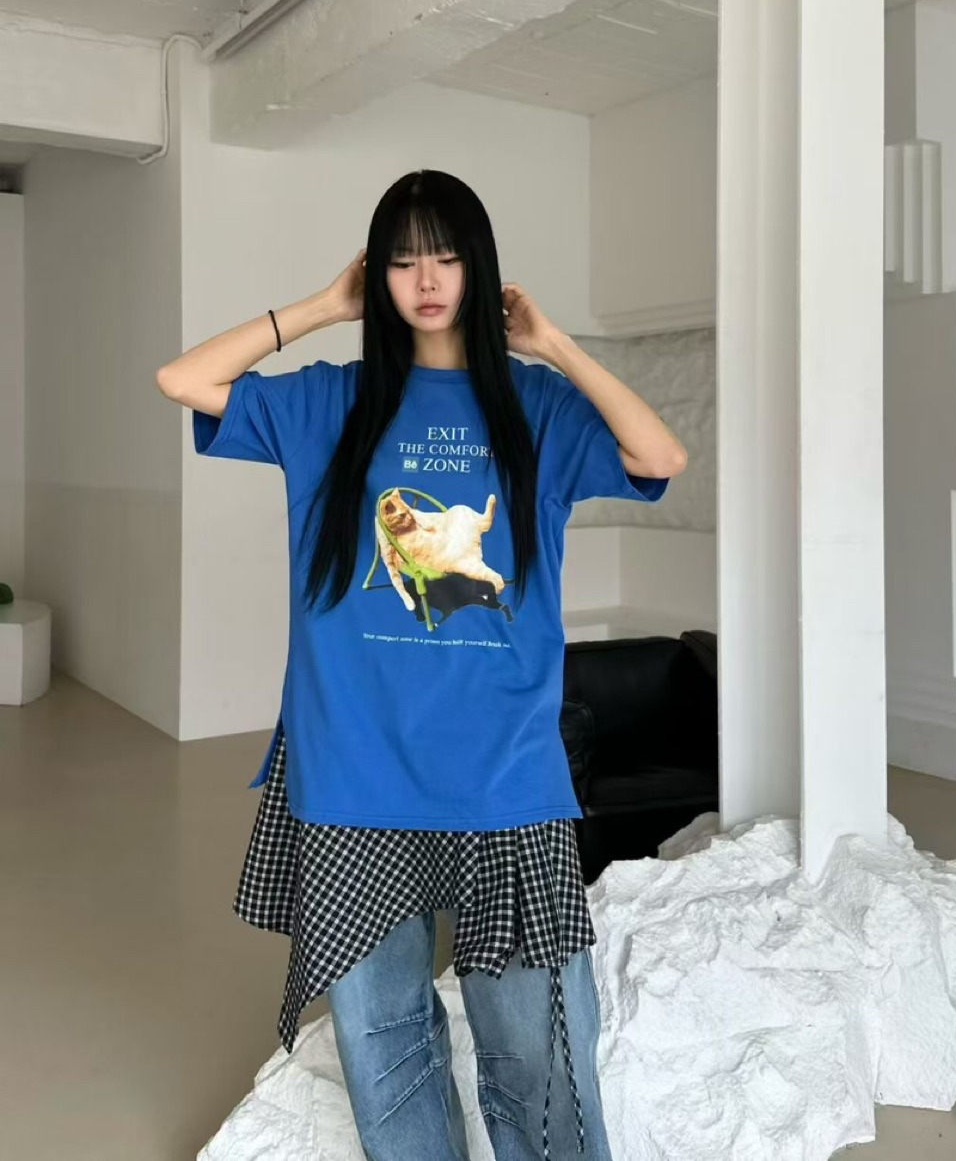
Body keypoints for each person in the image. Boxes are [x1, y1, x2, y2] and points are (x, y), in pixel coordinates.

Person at [156, 169, 687, 1160]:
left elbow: (659, 457)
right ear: (378, 277)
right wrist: (323, 309)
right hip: (355, 766)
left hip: (505, 769)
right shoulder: (334, 400)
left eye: (446, 256)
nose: (427, 279)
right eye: (403, 261)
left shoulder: (534, 405)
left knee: (538, 1049)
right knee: (385, 1042)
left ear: (480, 269)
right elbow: (182, 381)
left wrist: (554, 345)